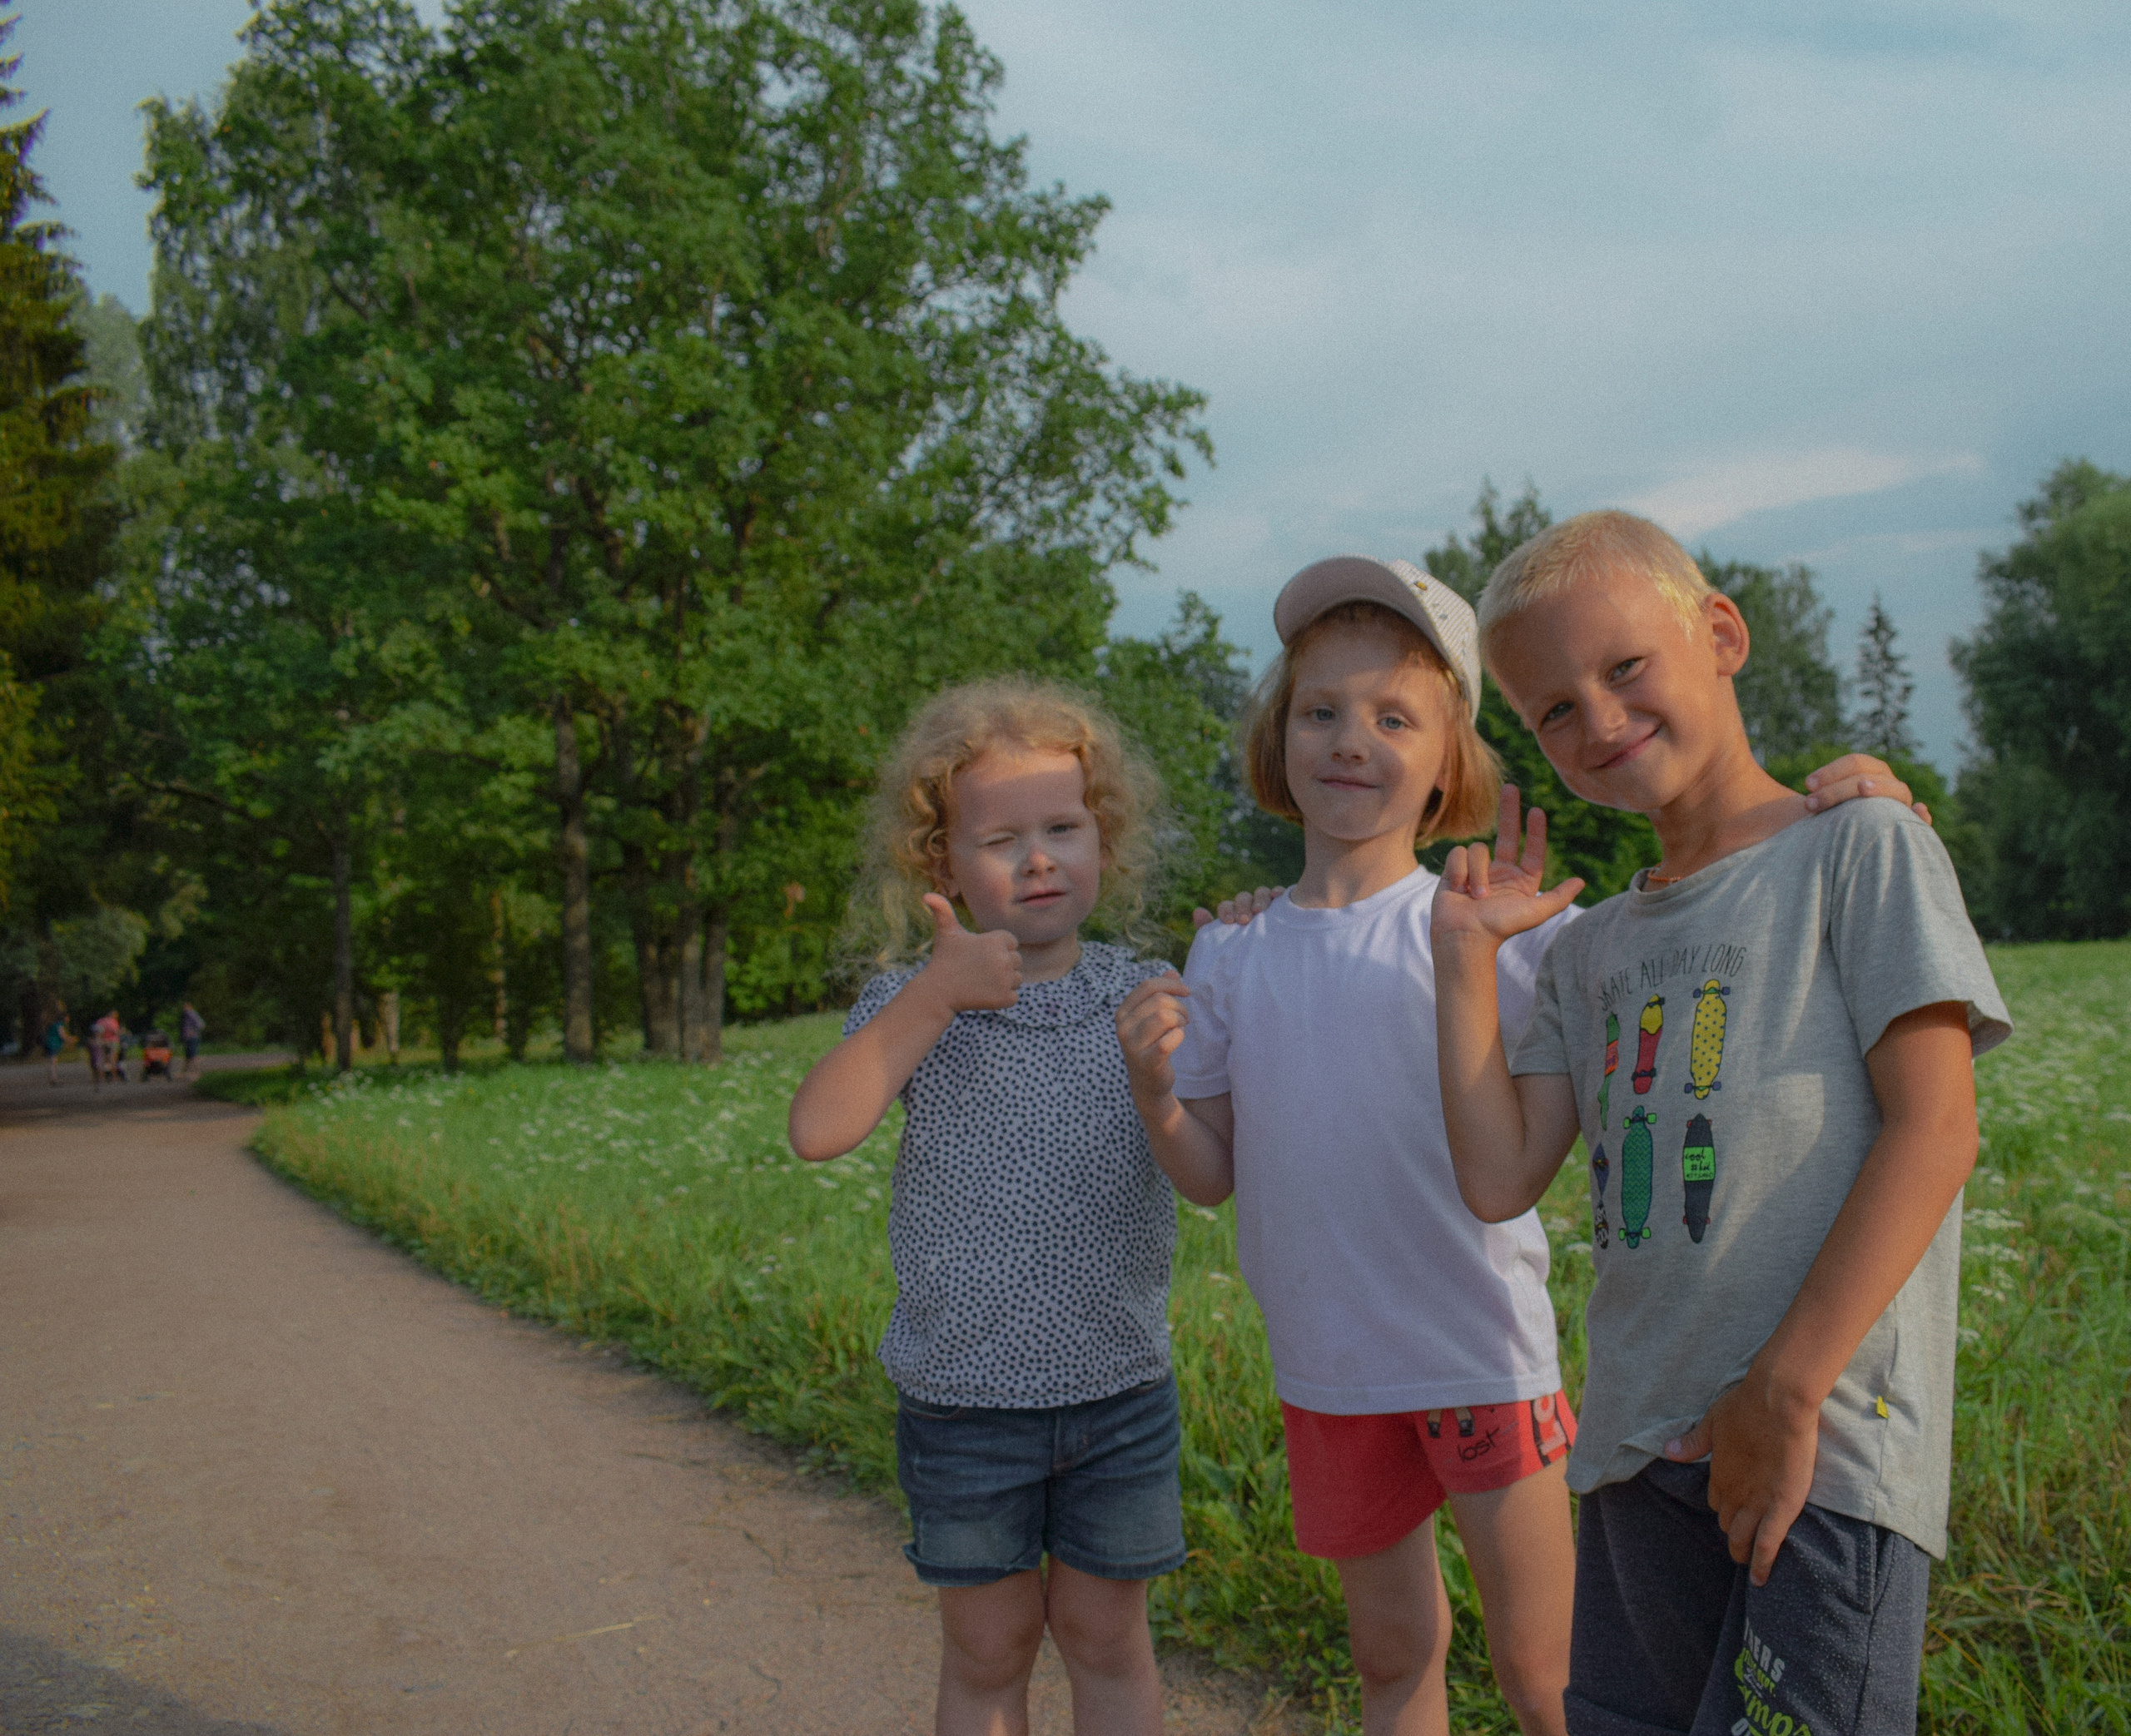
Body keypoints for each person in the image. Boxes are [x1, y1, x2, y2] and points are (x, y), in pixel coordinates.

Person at [1119, 556, 1935, 1736]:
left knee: (1546, 1673)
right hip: (1327, 1368)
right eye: (1319, 711)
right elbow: (1211, 1172)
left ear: (1449, 758)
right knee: (1391, 1652)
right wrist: (1155, 1094)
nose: (1349, 740)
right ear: (1277, 735)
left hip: (1481, 1358)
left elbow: (1690, 924)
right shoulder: (1233, 951)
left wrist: (1859, 798)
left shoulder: (1507, 926)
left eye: (1393, 717)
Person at [1429, 510, 2009, 1736]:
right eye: (1554, 709)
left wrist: (1783, 1392)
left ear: (1722, 635)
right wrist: (1464, 963)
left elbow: (1936, 1129)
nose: (1599, 718)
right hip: (1634, 1449)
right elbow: (1497, 1175)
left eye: (1625, 667)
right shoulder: (1586, 952)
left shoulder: (1859, 847)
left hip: (1821, 1446)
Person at [787, 677, 1183, 1736]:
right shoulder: (914, 1001)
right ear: (942, 865)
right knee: (989, 1646)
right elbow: (817, 1128)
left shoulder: (1144, 993)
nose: (1037, 858)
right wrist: (934, 993)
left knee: (1107, 1637)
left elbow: (1211, 1161)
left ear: (1104, 839)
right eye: (1001, 839)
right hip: (963, 1402)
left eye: (1062, 828)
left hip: (1119, 1393)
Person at [180, 1001, 206, 1078]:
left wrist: (193, 1031)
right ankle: (184, 1072)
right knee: (188, 1055)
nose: (184, 1009)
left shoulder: (191, 1014)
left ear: (189, 1007)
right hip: (189, 1038)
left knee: (193, 1055)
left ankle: (197, 1072)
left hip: (193, 1037)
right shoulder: (187, 1015)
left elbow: (201, 1025)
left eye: (186, 1007)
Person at [42, 1011, 67, 1085]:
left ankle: (53, 1078)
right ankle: (53, 1079)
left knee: (52, 1061)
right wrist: (69, 1040)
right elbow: (62, 1035)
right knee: (53, 1062)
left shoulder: (53, 1024)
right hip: (53, 1044)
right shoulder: (60, 1025)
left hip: (49, 1043)